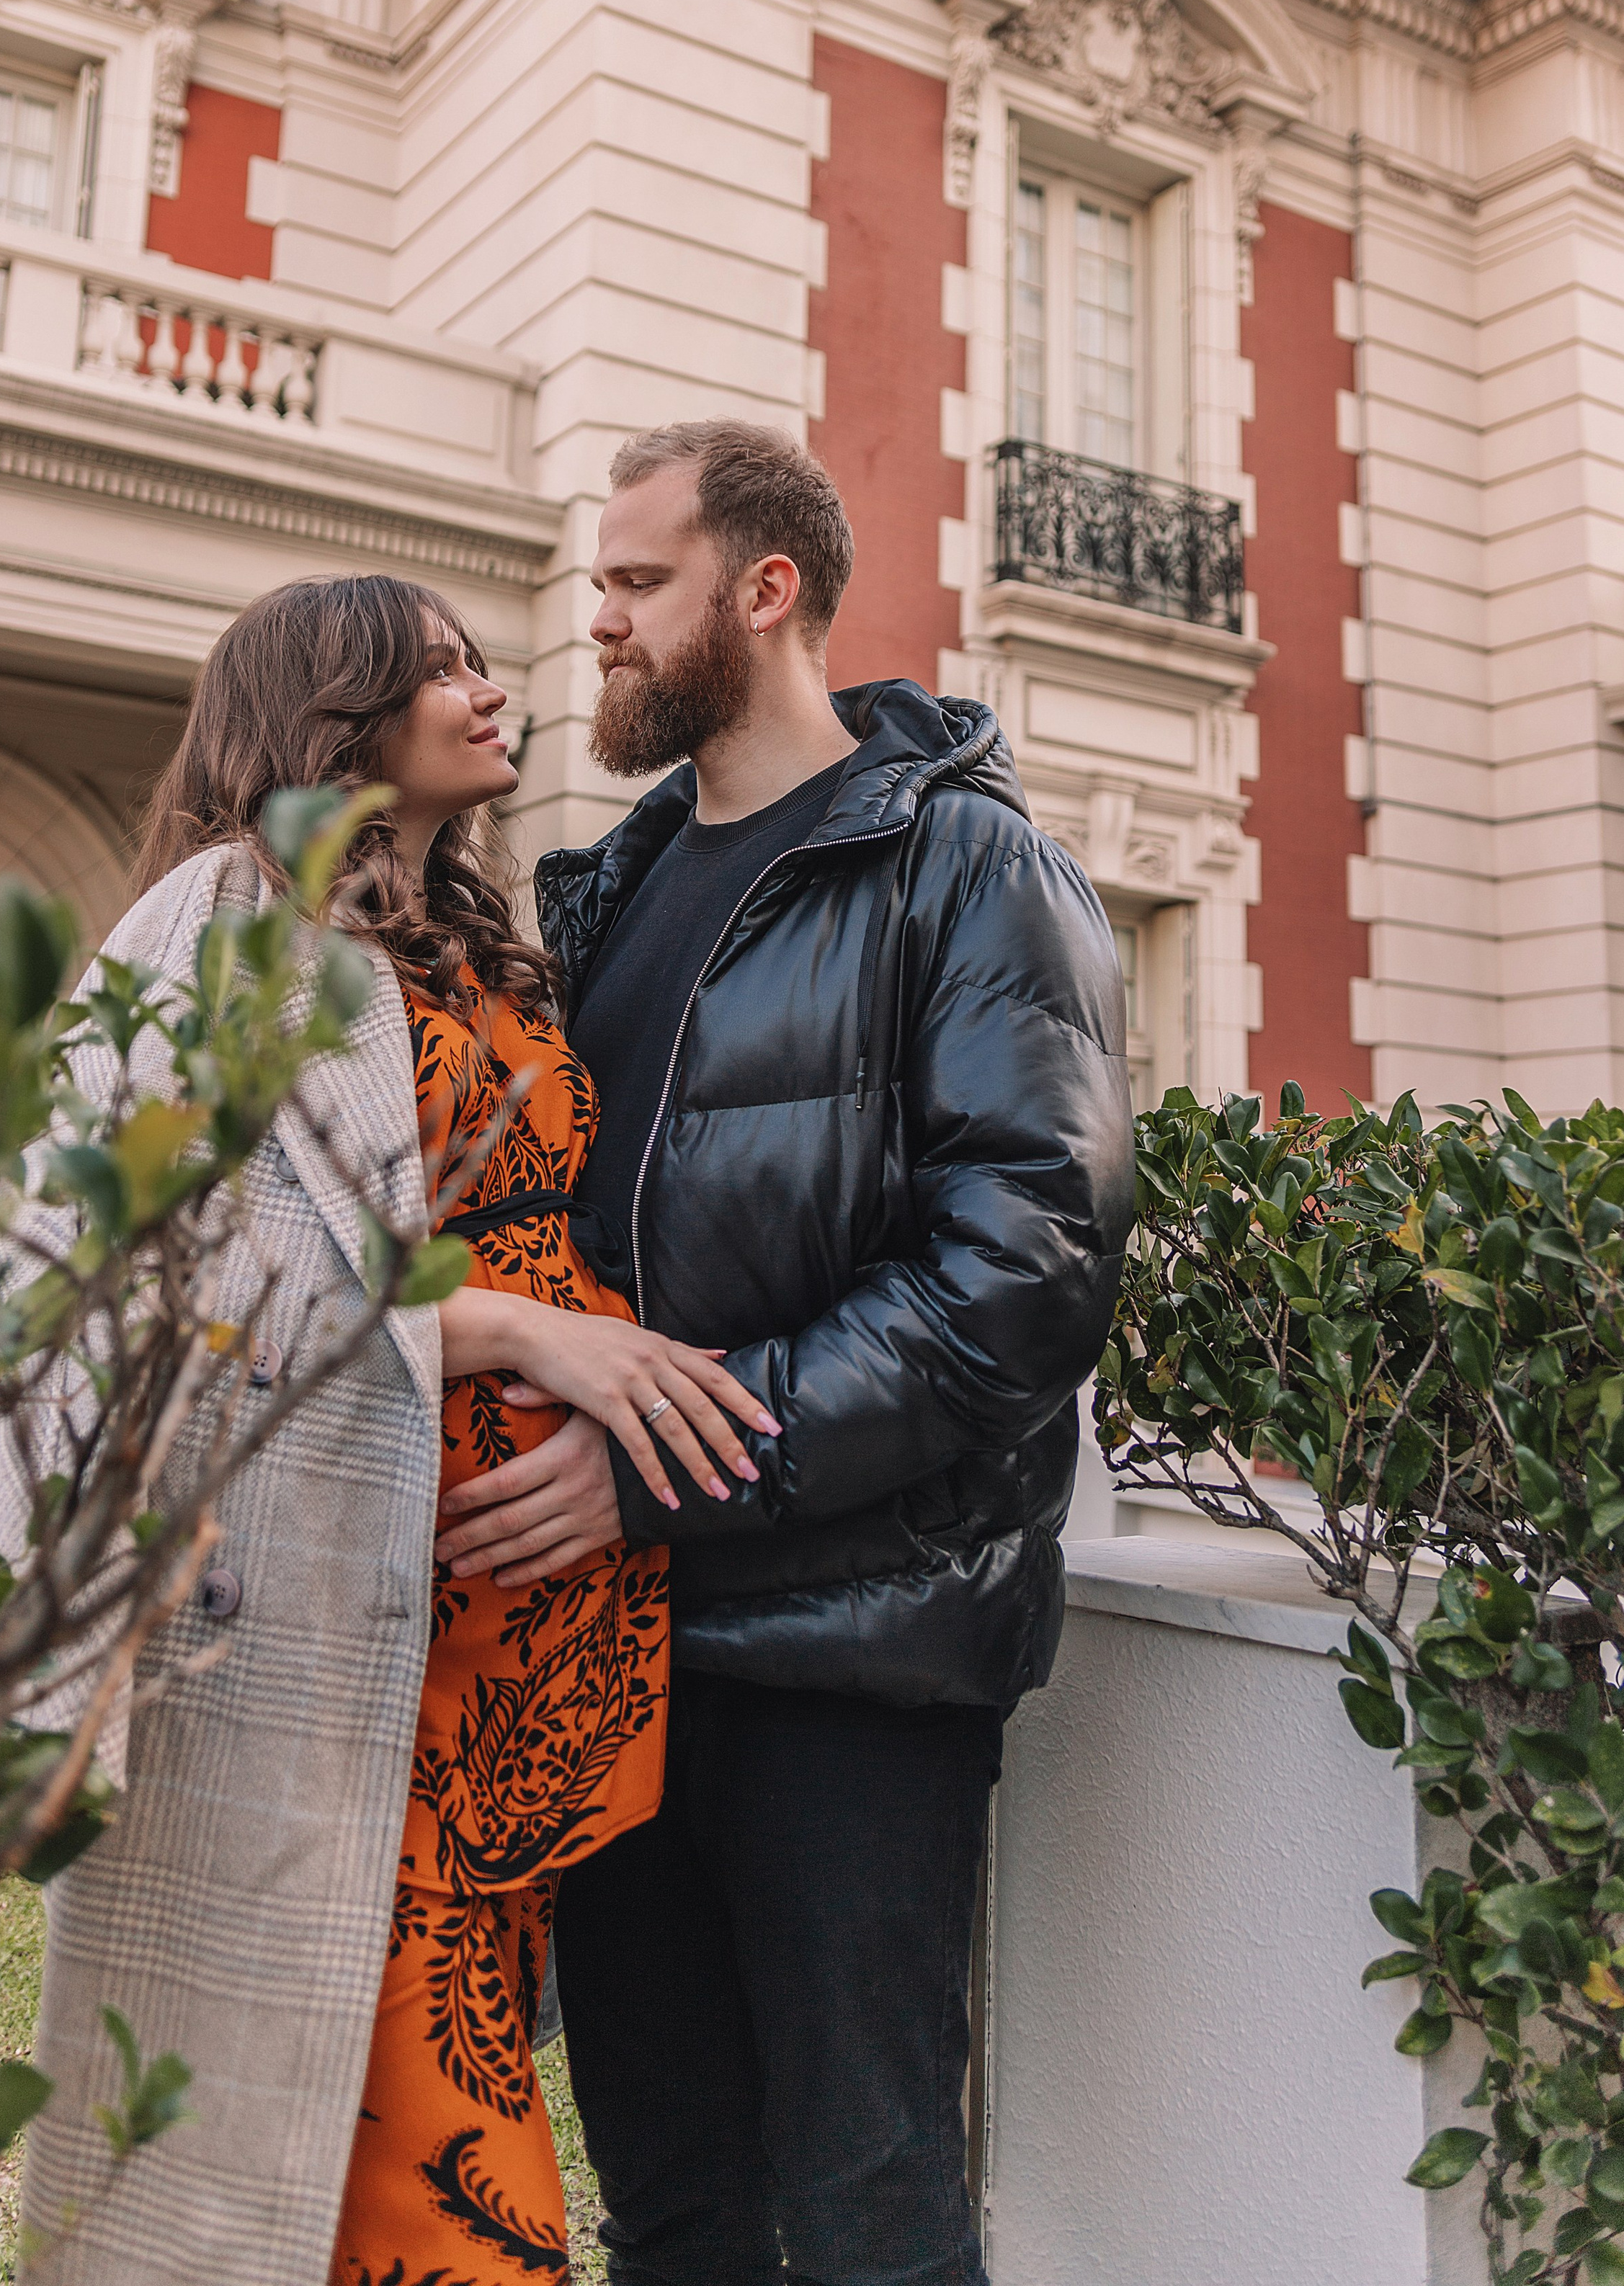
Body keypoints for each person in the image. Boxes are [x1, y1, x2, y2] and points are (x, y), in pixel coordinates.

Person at [0, 573, 767, 2286]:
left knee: (423, 2106)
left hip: (521, 1655)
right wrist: (501, 1329)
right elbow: (138, 1270)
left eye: (485, 663)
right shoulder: (229, 921)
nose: (494, 692)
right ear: (332, 715)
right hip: (347, 1630)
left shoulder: (485, 939)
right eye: (440, 671)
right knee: (435, 2183)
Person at [433, 424, 1137, 2286]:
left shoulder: (973, 873)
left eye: (636, 581)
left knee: (871, 2216)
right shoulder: (600, 894)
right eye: (595, 582)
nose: (594, 621)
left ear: (768, 593)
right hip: (618, 1663)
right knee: (676, 2213)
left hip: (855, 1665)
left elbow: (1024, 1280)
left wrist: (660, 1469)